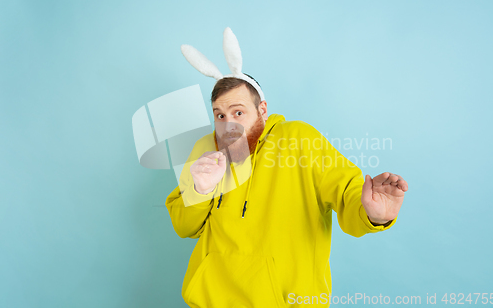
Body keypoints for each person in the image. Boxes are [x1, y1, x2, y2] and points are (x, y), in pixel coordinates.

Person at [165, 28, 408, 307]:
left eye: (238, 112)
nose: (228, 124)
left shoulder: (299, 139)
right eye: (220, 115)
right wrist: (199, 189)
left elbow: (347, 190)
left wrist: (372, 214)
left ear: (263, 110)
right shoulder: (207, 149)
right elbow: (184, 227)